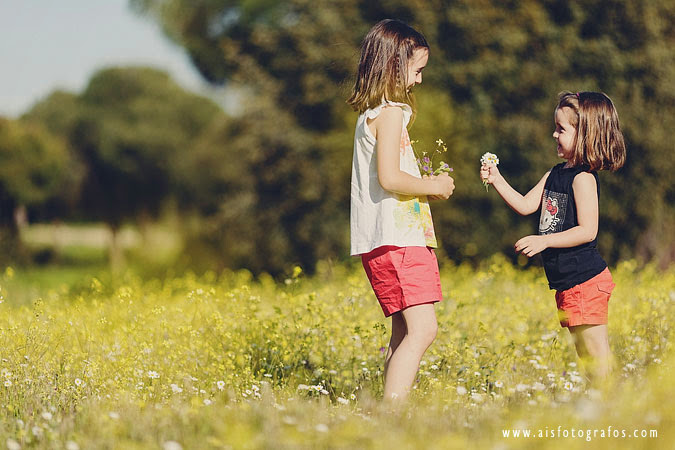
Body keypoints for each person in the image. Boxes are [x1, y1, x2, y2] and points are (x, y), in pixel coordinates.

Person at [480, 91, 626, 381]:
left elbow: (588, 230)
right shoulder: (556, 173)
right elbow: (525, 205)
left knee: (596, 358)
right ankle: (601, 408)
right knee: (587, 361)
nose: (554, 134)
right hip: (569, 282)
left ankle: (615, 409)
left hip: (585, 280)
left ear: (585, 135)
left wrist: (544, 240)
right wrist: (497, 179)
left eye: (561, 129)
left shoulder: (583, 178)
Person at [347, 19, 455, 403]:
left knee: (402, 332)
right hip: (398, 240)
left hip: (382, 241)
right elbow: (390, 177)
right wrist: (435, 187)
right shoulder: (391, 113)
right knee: (423, 330)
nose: (420, 81)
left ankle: (387, 412)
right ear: (395, 65)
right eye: (417, 70)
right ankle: (392, 417)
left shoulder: (371, 115)